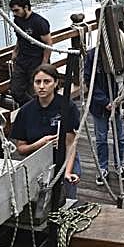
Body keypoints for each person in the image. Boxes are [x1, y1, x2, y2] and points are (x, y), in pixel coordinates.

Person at [10, 66, 80, 198]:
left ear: (56, 83)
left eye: (47, 82)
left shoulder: (67, 107)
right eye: (38, 82)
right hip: (38, 163)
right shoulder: (25, 112)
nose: (41, 86)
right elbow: (21, 149)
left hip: (65, 159)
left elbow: (71, 143)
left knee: (68, 198)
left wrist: (67, 172)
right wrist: (40, 143)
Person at [83, 37, 124, 185]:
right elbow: (88, 80)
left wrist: (122, 96)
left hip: (118, 103)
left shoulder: (123, 53)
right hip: (99, 106)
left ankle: (119, 165)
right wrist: (105, 102)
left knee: (120, 137)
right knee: (101, 138)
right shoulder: (92, 56)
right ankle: (103, 168)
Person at [8, 0, 53, 105]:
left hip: (36, 60)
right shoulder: (17, 20)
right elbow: (20, 37)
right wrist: (15, 51)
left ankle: (37, 109)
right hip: (22, 59)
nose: (14, 13)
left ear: (26, 7)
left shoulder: (39, 22)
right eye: (13, 11)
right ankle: (31, 107)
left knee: (36, 90)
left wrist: (44, 63)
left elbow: (48, 43)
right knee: (15, 90)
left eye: (17, 10)